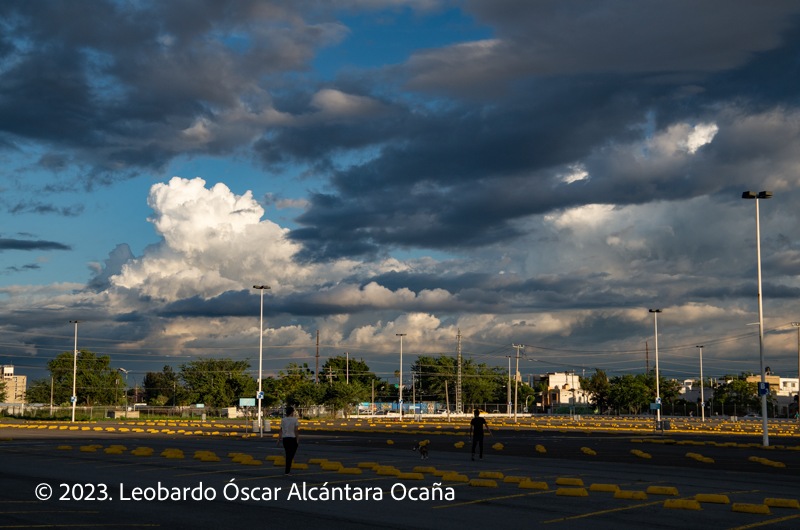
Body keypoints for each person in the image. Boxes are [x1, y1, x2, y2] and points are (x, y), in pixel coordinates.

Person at [277, 406, 299, 475]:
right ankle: (287, 471)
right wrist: (297, 439)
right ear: (292, 412)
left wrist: (278, 439)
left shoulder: (283, 420)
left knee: (288, 454)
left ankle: (288, 470)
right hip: (292, 438)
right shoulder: (295, 420)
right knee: (290, 455)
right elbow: (296, 431)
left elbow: (281, 430)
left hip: (285, 439)